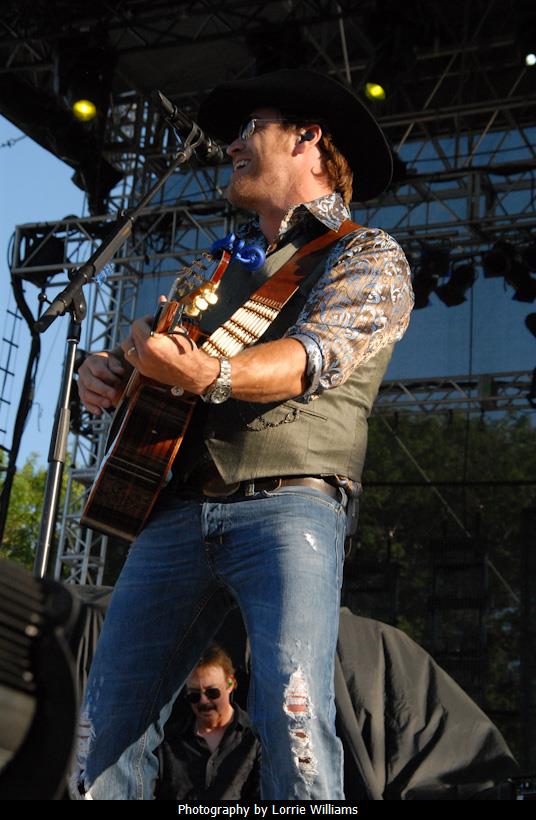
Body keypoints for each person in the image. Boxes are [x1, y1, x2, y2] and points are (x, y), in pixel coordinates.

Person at [72, 68, 414, 800]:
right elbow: (162, 362)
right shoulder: (217, 268)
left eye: (249, 129)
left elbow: (314, 356)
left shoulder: (367, 254)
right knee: (100, 732)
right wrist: (110, 370)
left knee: (295, 723)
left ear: (307, 138)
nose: (231, 145)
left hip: (289, 507)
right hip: (175, 512)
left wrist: (211, 374)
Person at [154, 643, 260, 801]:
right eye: (194, 695)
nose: (203, 701)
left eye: (212, 692)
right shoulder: (168, 742)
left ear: (230, 684)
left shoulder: (256, 737)